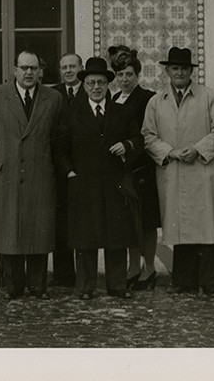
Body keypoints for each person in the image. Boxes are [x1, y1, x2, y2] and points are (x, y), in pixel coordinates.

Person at [141, 46, 214, 299]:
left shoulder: (208, 96)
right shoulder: (156, 101)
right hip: (175, 171)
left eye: (184, 68)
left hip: (204, 170)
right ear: (167, 71)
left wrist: (198, 149)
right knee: (181, 228)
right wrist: (169, 152)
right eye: (175, 69)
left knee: (209, 227)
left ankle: (211, 283)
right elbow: (148, 135)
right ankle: (183, 281)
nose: (179, 73)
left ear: (191, 71)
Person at [54, 57, 142, 300]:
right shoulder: (72, 113)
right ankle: (85, 287)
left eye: (101, 82)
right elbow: (59, 149)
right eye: (91, 82)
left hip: (115, 184)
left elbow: (139, 139)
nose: (96, 87)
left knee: (117, 237)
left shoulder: (123, 111)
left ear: (107, 85)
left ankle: (117, 285)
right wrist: (70, 173)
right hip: (83, 184)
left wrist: (127, 145)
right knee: (85, 239)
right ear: (84, 85)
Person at [0, 50, 63, 300]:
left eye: (34, 68)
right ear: (14, 70)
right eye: (24, 68)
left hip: (41, 174)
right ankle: (12, 285)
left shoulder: (53, 98)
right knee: (9, 231)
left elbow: (58, 140)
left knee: (39, 230)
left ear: (40, 71)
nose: (29, 73)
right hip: (7, 174)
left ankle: (38, 286)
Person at [108, 45, 159, 291]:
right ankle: (133, 266)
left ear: (137, 75)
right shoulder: (113, 99)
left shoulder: (148, 98)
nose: (124, 79)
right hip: (122, 170)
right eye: (120, 75)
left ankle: (148, 268)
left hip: (144, 169)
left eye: (129, 74)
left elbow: (149, 133)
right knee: (129, 221)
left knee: (147, 221)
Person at [48, 52, 84, 288]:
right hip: (58, 170)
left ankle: (83, 275)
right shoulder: (52, 94)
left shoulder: (92, 89)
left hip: (85, 169)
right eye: (64, 67)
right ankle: (63, 277)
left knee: (83, 225)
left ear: (81, 68)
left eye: (72, 66)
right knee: (60, 223)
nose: (68, 71)